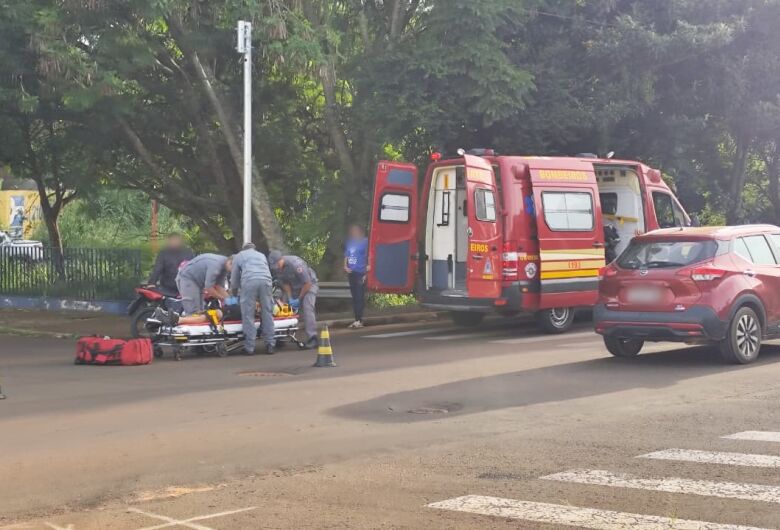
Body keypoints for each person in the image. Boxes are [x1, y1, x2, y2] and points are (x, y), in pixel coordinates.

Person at [231, 243, 276, 355]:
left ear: (243, 249)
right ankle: (270, 344)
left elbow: (234, 277)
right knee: (267, 312)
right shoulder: (261, 255)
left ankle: (249, 347)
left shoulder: (239, 256)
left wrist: (234, 294)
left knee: (248, 314)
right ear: (254, 249)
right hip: (266, 281)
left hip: (249, 281)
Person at [268, 250, 319, 348]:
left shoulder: (295, 264)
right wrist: (290, 297)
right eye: (274, 265)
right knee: (282, 307)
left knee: (307, 307)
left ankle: (313, 338)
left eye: (277, 264)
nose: (276, 267)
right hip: (294, 287)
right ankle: (280, 336)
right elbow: (286, 283)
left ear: (281, 259)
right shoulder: (277, 268)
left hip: (309, 285)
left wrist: (299, 299)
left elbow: (307, 283)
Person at [344, 224, 369, 328]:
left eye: (355, 230)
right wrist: (345, 266)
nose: (353, 232)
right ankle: (356, 319)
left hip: (360, 272)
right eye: (352, 231)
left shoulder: (365, 242)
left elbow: (370, 255)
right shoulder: (350, 242)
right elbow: (346, 255)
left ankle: (359, 319)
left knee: (359, 296)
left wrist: (367, 272)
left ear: (360, 231)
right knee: (354, 297)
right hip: (351, 272)